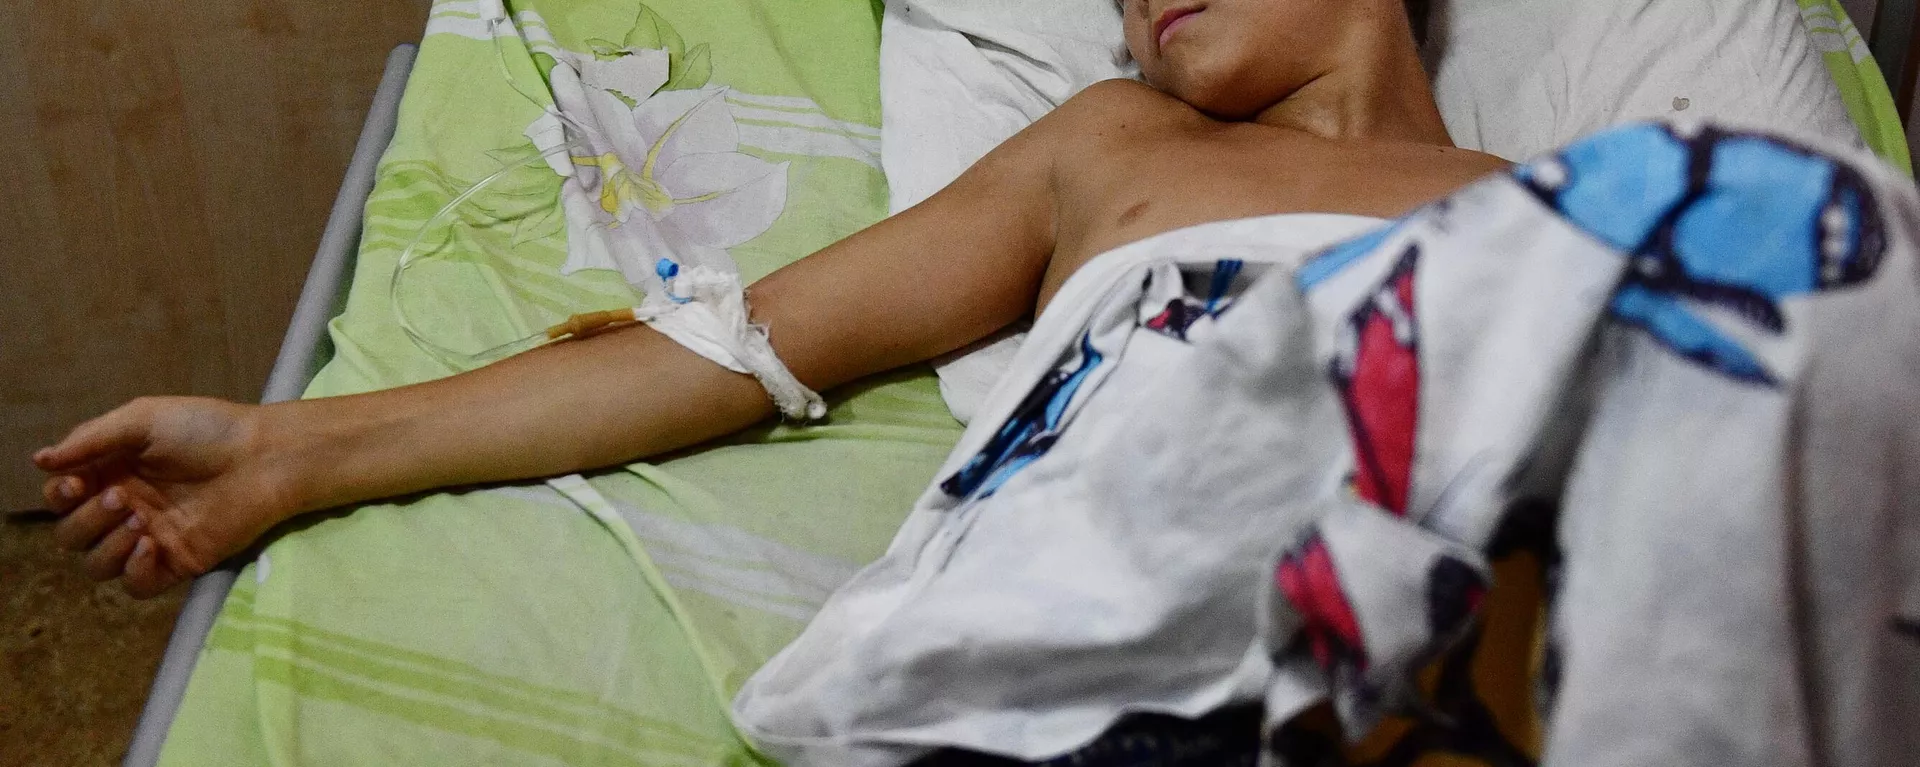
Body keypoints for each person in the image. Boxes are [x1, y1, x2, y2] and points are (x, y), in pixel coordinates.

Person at [35, 0, 1504, 600]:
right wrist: (280, 451)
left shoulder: (1579, 202)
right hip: (1118, 605)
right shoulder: (1118, 148)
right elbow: (729, 349)